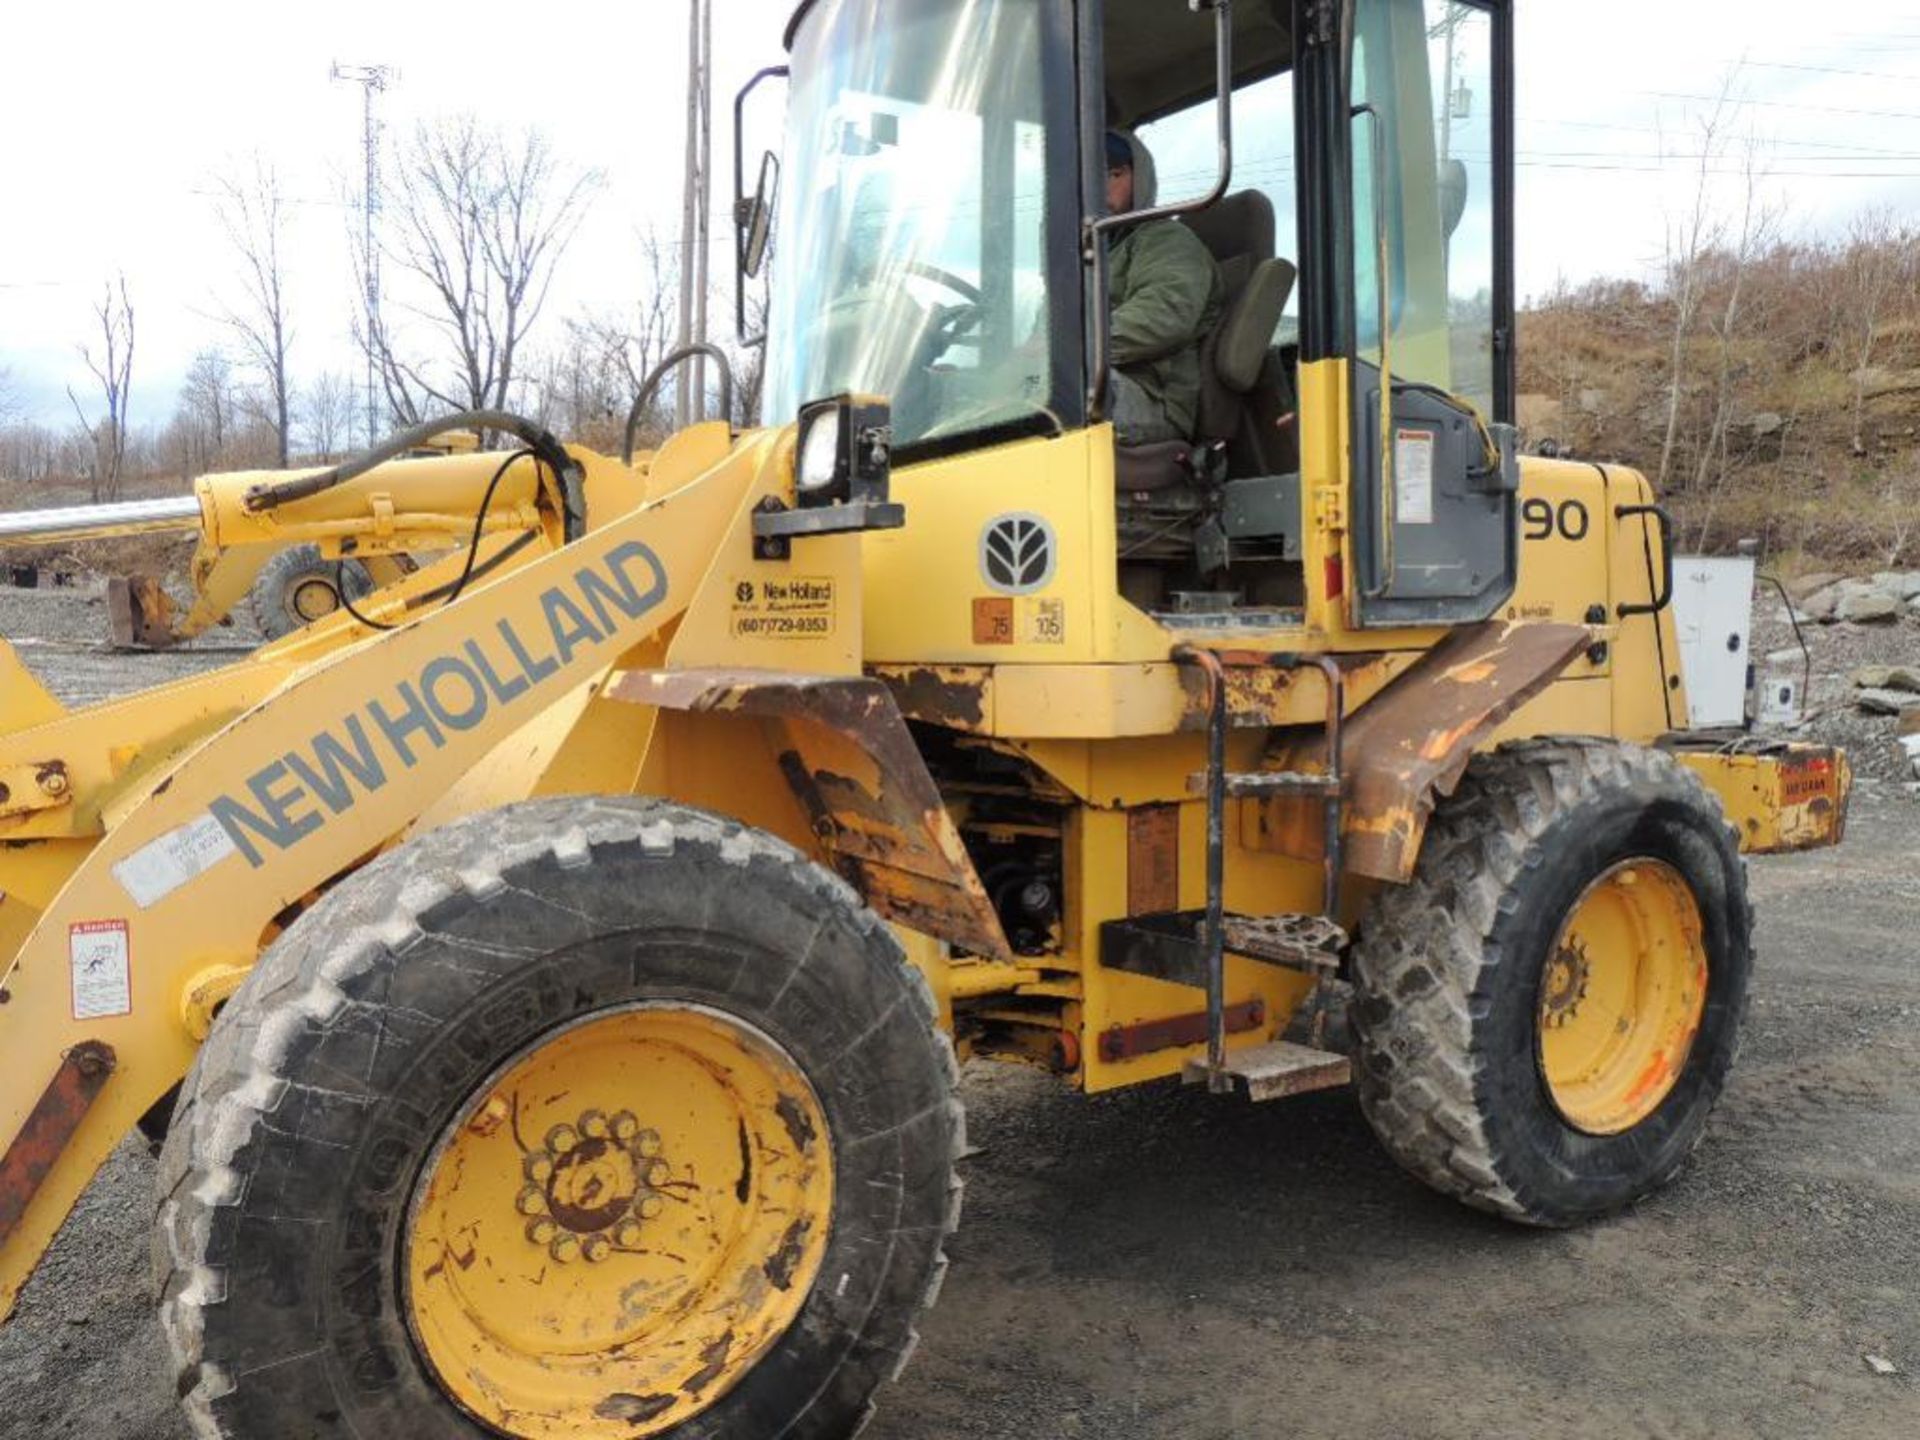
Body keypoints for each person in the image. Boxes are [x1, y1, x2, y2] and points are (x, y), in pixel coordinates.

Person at [1105, 131, 1225, 446]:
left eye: (1114, 174)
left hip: (1152, 400)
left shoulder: (1166, 239)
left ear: (1140, 179)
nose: (1101, 187)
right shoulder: (1086, 259)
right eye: (1091, 177)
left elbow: (1165, 315)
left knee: (1058, 392)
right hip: (1103, 385)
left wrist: (1072, 353)